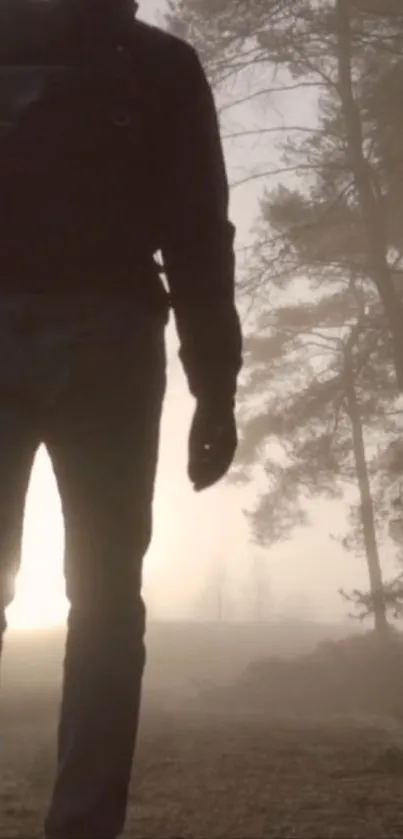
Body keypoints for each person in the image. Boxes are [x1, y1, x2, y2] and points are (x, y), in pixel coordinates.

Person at [0, 1, 242, 837]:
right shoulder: (159, 66)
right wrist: (214, 383)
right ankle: (82, 825)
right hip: (109, 339)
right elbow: (199, 232)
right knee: (104, 602)